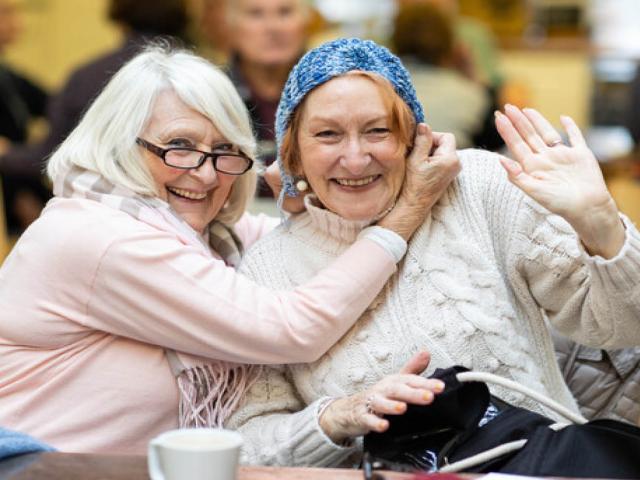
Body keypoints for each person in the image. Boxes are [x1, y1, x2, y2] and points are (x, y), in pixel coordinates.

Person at [0, 44, 459, 454]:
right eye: (178, 147)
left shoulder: (202, 236)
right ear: (119, 143)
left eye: (224, 150)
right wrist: (407, 213)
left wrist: (310, 197)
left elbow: (296, 245)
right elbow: (290, 328)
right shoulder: (100, 238)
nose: (205, 174)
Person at [226, 38, 640, 467]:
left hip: (547, 465)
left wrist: (601, 223)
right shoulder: (267, 268)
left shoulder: (478, 189)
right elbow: (246, 445)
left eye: (378, 130)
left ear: (413, 137)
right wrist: (340, 416)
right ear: (292, 152)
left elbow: (627, 327)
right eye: (328, 134)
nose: (354, 158)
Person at [0, 0, 189, 232]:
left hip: (106, 217)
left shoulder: (88, 77)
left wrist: (9, 155)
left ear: (119, 14)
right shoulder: (205, 75)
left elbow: (53, 152)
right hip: (183, 210)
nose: (18, 21)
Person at [223, 0, 308, 197]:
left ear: (305, 23)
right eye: (256, 14)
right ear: (232, 27)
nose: (273, 27)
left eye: (285, 12)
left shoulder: (333, 91)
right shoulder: (213, 95)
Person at [392, 1, 489, 148]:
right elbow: (491, 145)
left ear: (395, 40)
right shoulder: (471, 94)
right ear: (451, 46)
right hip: (454, 165)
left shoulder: (379, 88)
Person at [0, 0, 49, 233]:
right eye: (6, 13)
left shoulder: (10, 75)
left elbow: (54, 104)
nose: (17, 22)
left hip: (18, 174)